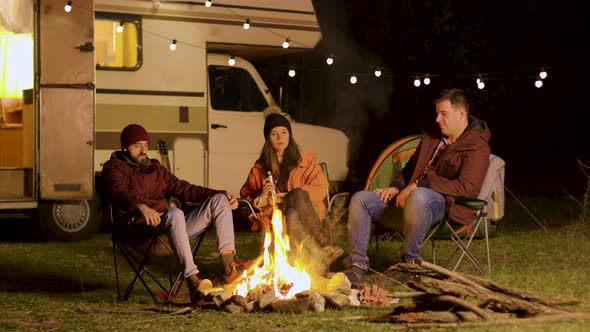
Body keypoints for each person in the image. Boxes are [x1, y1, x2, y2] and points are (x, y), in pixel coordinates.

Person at [344, 88, 491, 288]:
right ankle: (357, 265)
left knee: (420, 196)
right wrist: (396, 186)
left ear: (461, 114)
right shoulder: (432, 137)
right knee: (360, 199)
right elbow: (410, 168)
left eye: (443, 114)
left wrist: (420, 185)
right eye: (437, 113)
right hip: (410, 201)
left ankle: (408, 264)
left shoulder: (477, 146)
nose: (438, 119)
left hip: (445, 205)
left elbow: (466, 187)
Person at [101, 124, 251, 304]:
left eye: (146, 145)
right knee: (174, 213)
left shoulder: (155, 168)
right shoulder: (114, 168)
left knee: (219, 201)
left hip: (170, 229)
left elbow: (184, 189)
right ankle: (193, 282)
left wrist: (221, 193)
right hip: (139, 231)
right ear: (125, 147)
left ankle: (229, 269)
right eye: (136, 145)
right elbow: (119, 194)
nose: (143, 151)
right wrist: (140, 207)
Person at [240, 113, 343, 266]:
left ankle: (297, 262)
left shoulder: (305, 162)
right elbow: (246, 199)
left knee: (296, 198)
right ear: (268, 139)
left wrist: (288, 196)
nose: (279, 138)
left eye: (284, 132)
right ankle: (323, 247)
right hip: (275, 214)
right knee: (292, 208)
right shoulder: (260, 168)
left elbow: (321, 188)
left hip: (307, 212)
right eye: (274, 134)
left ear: (290, 135)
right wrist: (262, 196)